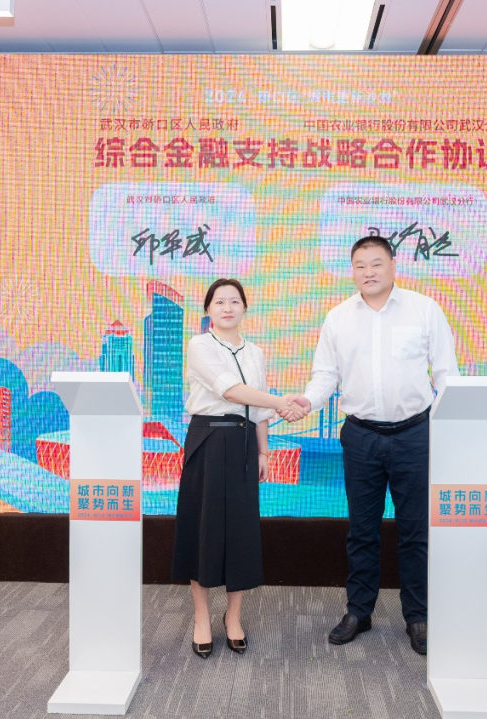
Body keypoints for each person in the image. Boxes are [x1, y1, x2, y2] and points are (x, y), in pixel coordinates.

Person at [290, 236, 460, 655]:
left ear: (393, 265)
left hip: (414, 435)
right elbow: (326, 376)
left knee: (415, 531)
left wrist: (452, 427)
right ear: (353, 271)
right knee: (362, 530)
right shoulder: (338, 318)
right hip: (361, 435)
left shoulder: (424, 310)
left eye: (376, 263)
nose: (369, 271)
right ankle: (359, 610)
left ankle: (417, 616)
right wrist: (307, 401)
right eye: (360, 265)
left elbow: (446, 374)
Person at [172, 278, 305, 659]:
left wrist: (264, 452)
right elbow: (229, 390)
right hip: (209, 439)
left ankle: (233, 617)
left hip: (245, 443)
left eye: (234, 301)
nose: (227, 307)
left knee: (241, 531)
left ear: (245, 307)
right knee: (203, 527)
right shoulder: (199, 345)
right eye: (219, 302)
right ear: (208, 310)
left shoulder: (255, 353)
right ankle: (201, 616)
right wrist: (281, 401)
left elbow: (257, 409)